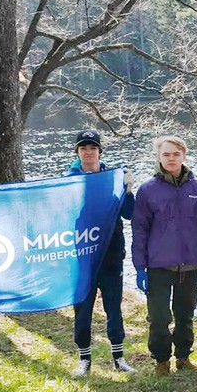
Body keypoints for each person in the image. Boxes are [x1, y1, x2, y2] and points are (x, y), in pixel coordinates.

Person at [132, 136, 197, 375]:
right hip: (159, 266)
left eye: (176, 154)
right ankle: (161, 361)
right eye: (166, 154)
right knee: (159, 318)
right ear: (159, 157)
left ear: (184, 156)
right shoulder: (148, 190)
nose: (171, 159)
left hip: (190, 265)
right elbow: (139, 230)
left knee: (185, 315)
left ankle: (183, 357)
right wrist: (139, 267)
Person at [66, 129, 136, 377]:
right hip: (83, 255)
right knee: (82, 308)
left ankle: (118, 357)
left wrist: (127, 189)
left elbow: (129, 213)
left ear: (99, 151)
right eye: (83, 148)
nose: (88, 152)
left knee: (113, 307)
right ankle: (84, 359)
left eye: (93, 148)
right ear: (77, 152)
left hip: (111, 254)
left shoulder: (112, 178)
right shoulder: (68, 181)